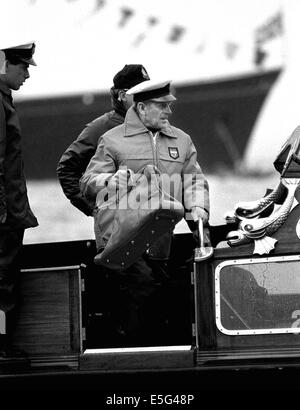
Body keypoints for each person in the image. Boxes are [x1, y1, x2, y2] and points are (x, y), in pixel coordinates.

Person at [80, 79, 209, 344]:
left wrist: (198, 206)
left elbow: (193, 181)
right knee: (140, 292)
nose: (168, 111)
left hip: (160, 241)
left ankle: (149, 359)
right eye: (161, 106)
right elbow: (87, 183)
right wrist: (108, 181)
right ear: (141, 107)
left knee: (158, 299)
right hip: (121, 241)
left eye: (169, 105)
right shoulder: (112, 140)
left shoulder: (182, 141)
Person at [56, 64, 150, 216]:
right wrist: (92, 208)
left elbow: (184, 177)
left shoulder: (155, 125)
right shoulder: (100, 128)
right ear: (123, 95)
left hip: (154, 226)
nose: (147, 98)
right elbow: (67, 168)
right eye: (140, 93)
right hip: (115, 227)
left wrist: (196, 223)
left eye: (149, 92)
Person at [0, 41, 38, 357]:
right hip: (4, 215)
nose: (27, 73)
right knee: (2, 286)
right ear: (4, 64)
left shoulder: (4, 101)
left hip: (10, 212)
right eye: (22, 66)